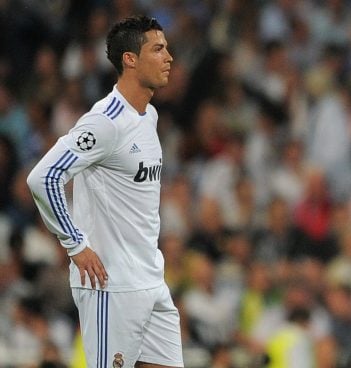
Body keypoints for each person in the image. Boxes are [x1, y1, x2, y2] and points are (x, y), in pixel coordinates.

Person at [26, 16, 182, 367]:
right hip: (112, 286)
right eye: (158, 49)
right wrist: (75, 244)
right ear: (130, 59)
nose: (169, 57)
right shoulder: (105, 122)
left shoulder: (149, 116)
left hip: (150, 278)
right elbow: (44, 177)